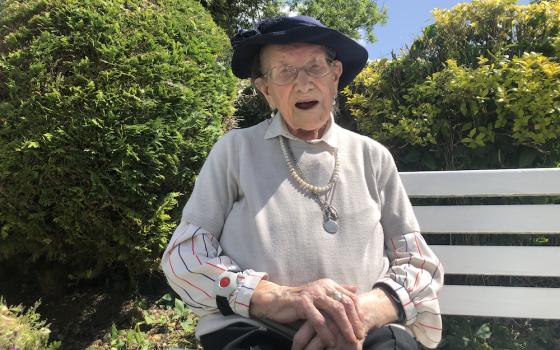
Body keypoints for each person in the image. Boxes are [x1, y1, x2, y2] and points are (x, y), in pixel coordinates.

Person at [162, 16, 443, 350]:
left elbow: (417, 264)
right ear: (266, 90)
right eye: (285, 71)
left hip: (366, 333)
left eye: (315, 67)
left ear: (336, 76)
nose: (304, 83)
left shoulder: (373, 156)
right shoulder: (235, 151)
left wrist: (365, 311)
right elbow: (184, 258)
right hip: (256, 328)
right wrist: (274, 298)